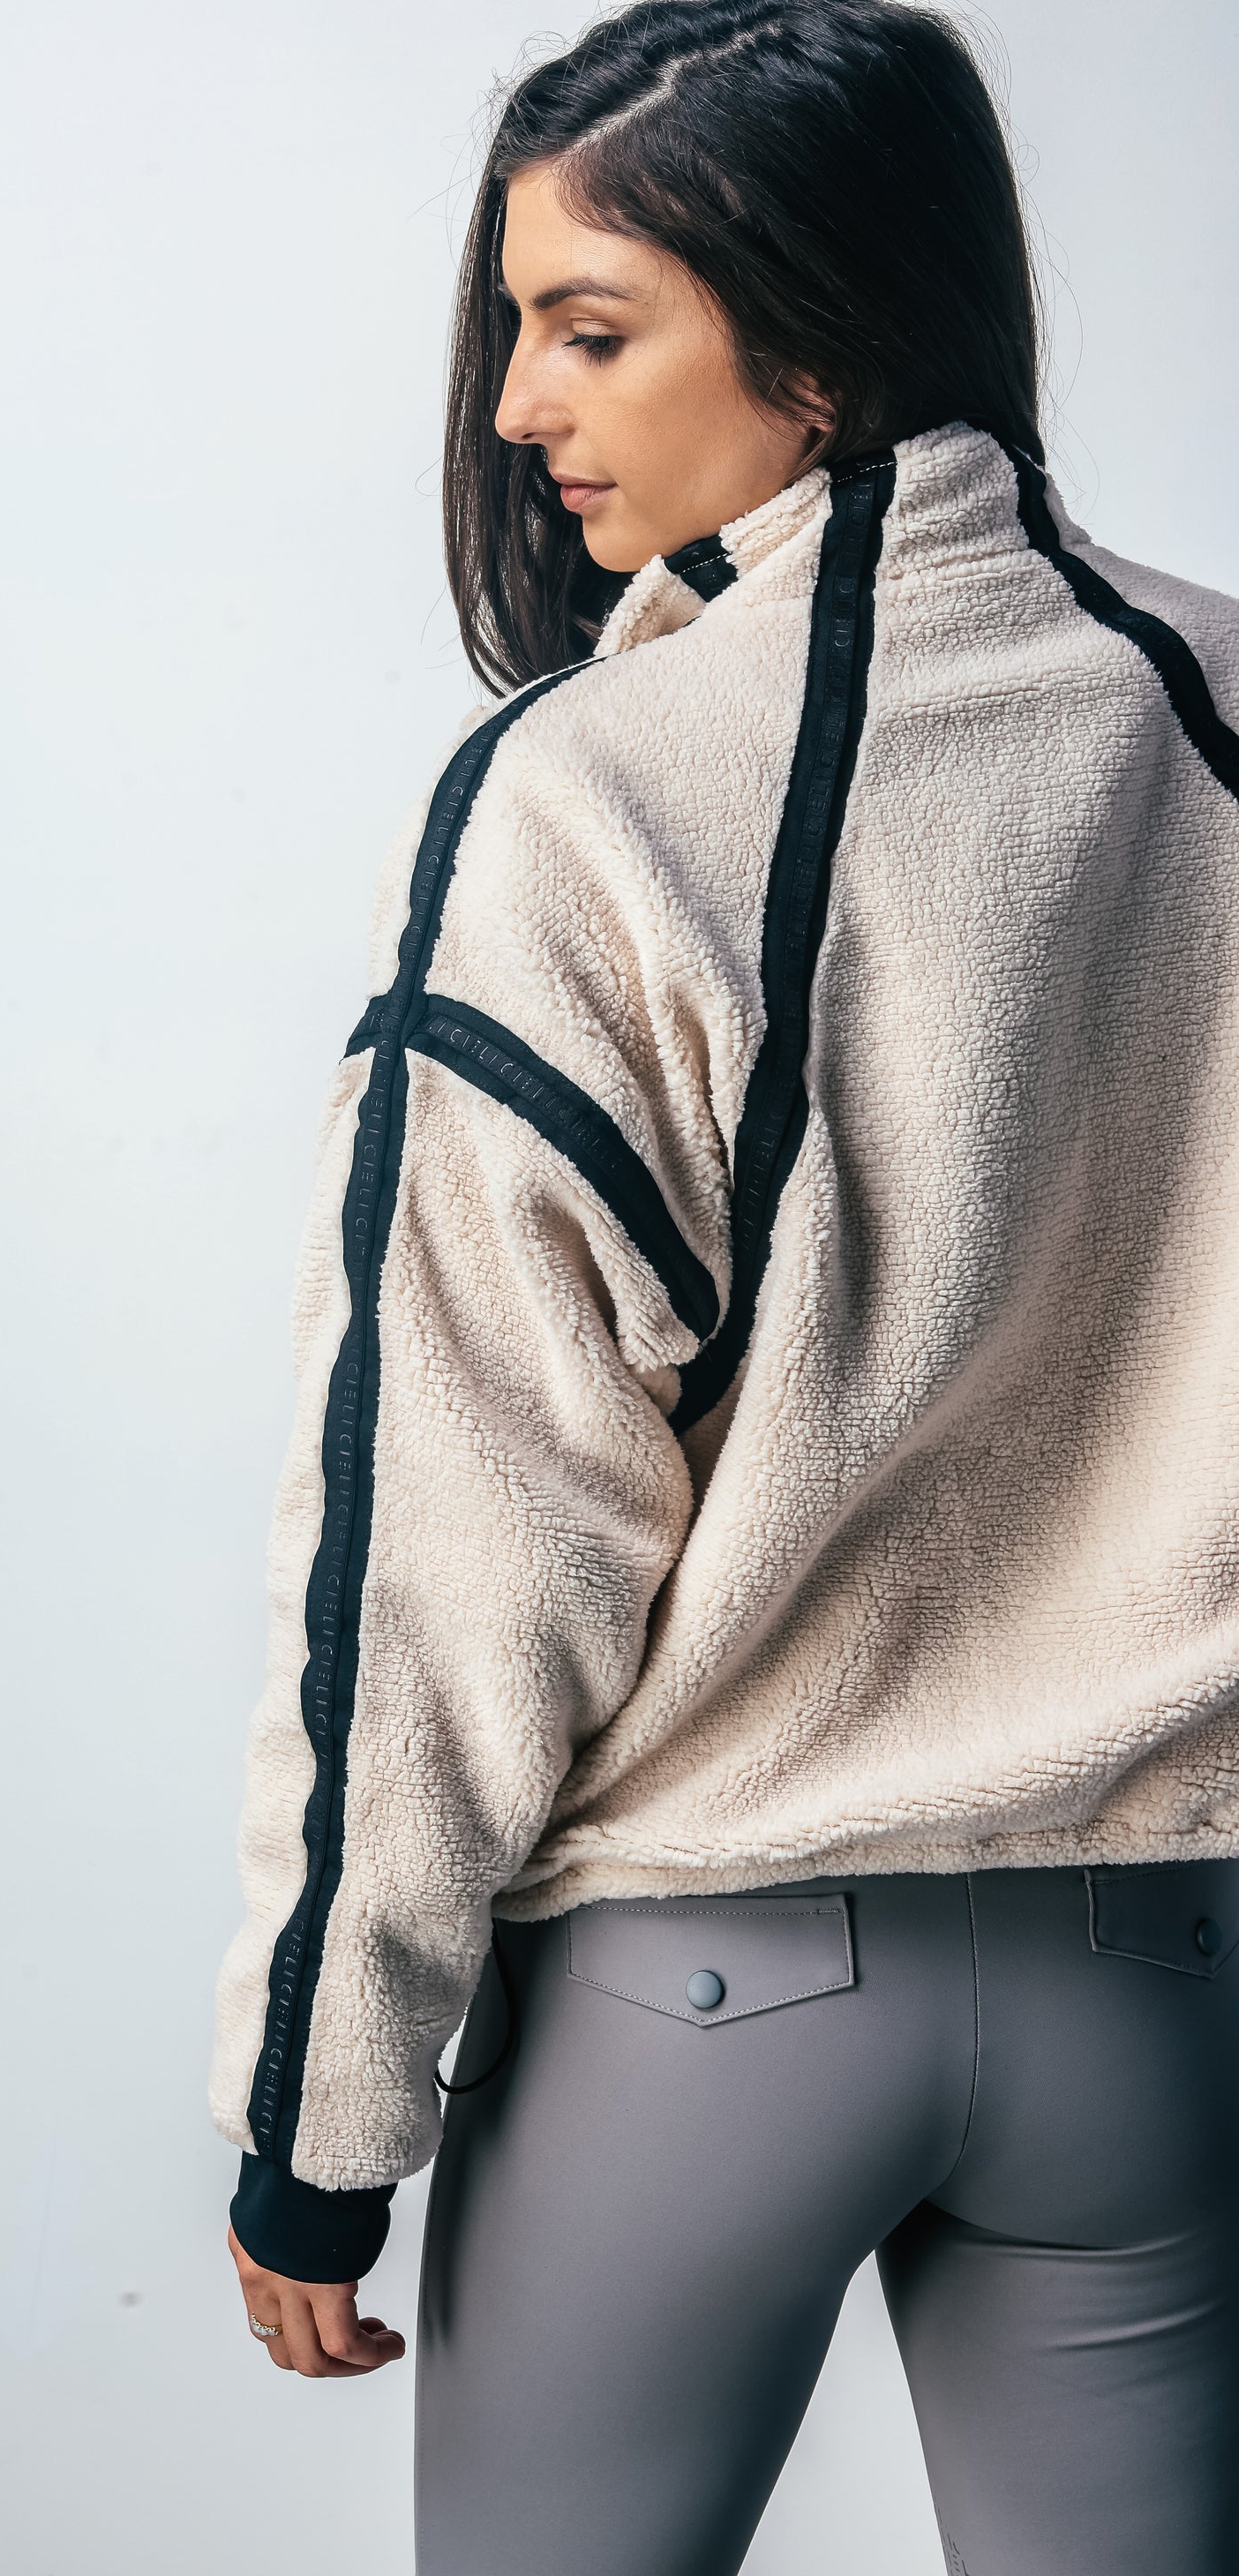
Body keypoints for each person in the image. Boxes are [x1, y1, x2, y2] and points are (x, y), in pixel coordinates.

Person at [212, 4, 1239, 2567]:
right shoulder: (1217, 715)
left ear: (811, 332)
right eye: (507, 331)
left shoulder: (585, 798)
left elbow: (455, 1527)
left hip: (709, 1996)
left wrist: (320, 2123)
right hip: (1165, 1983)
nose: (517, 413)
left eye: (589, 327)